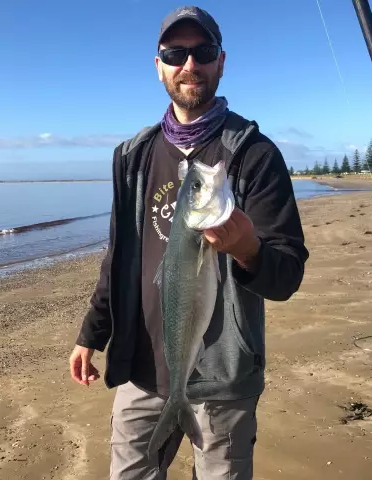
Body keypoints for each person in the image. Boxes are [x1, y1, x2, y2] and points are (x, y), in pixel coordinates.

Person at [69, 5, 309, 479]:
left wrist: (248, 250)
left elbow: (287, 276)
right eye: (175, 53)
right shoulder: (132, 155)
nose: (190, 65)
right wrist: (91, 334)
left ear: (221, 62)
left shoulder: (254, 155)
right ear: (157, 65)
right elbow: (120, 256)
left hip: (224, 377)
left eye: (203, 52)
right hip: (140, 365)